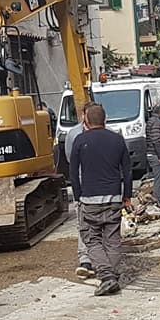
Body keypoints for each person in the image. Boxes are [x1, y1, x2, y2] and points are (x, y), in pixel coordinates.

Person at [69, 103, 133, 296]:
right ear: (105, 120)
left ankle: (107, 276)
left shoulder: (80, 141)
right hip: (114, 197)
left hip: (89, 200)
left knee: (91, 239)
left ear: (85, 121)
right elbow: (128, 172)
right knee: (112, 240)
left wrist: (78, 196)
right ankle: (111, 275)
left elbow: (73, 172)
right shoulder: (117, 140)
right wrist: (127, 196)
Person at [65, 101, 98, 278]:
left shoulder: (106, 133)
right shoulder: (74, 134)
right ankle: (85, 259)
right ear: (83, 115)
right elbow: (71, 159)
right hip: (83, 185)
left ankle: (100, 258)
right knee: (83, 224)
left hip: (100, 186)